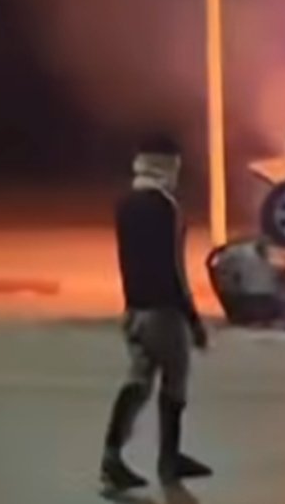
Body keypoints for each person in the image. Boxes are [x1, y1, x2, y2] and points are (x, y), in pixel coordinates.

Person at [100, 135, 212, 491]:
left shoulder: (126, 203)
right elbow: (173, 267)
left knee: (137, 382)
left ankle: (111, 457)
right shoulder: (166, 206)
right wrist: (193, 319)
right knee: (174, 383)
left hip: (135, 308)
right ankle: (169, 457)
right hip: (165, 311)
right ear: (166, 165)